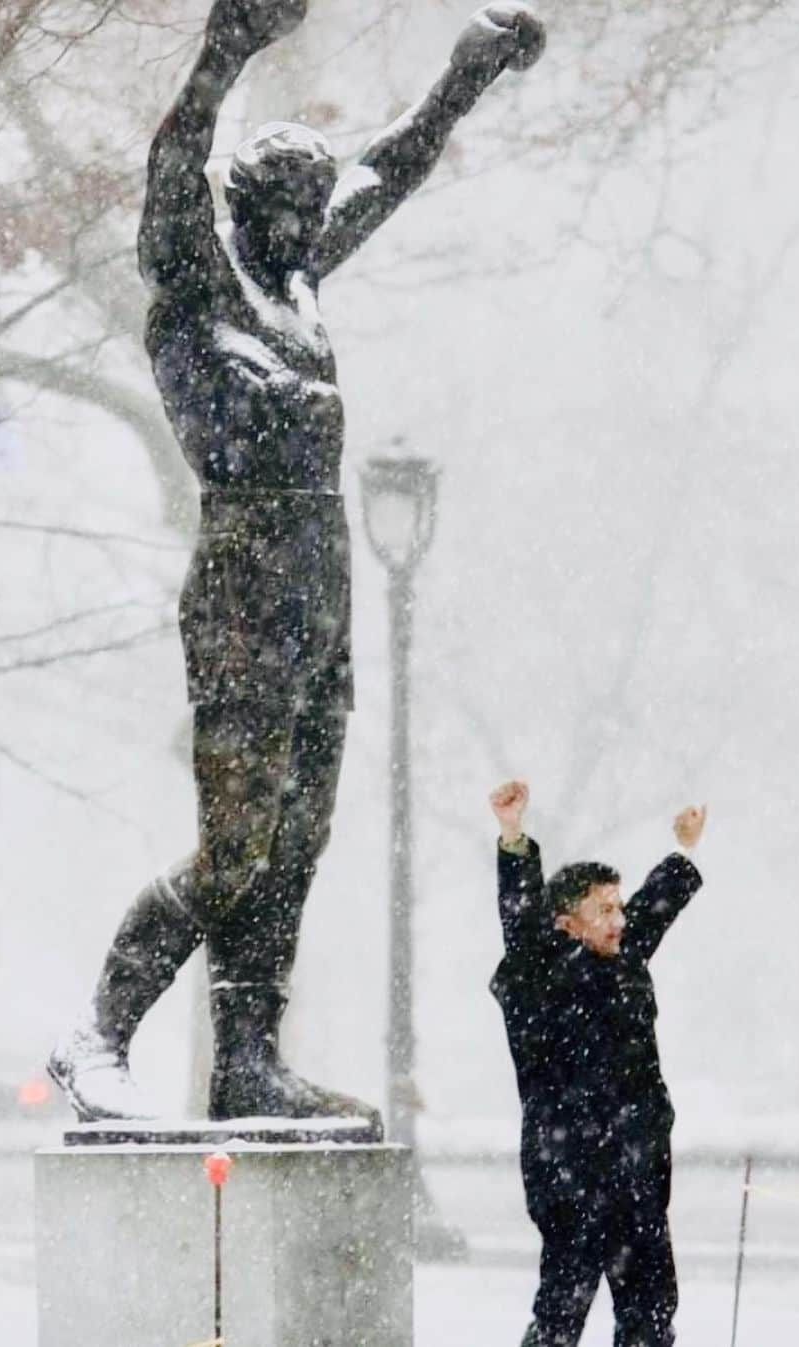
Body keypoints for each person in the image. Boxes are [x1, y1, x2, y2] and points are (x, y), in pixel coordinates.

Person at [47, 0, 546, 1125]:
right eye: (280, 211)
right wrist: (228, 46)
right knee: (236, 845)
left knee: (298, 841)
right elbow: (173, 162)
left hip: (321, 583)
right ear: (244, 208)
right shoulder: (198, 281)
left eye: (310, 212)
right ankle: (97, 1035)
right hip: (242, 577)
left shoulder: (301, 286)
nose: (301, 227)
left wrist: (466, 72)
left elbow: (391, 170)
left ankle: (247, 1059)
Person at [488, 780, 707, 1347]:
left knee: (651, 1320)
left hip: (637, 1175)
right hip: (572, 1178)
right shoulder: (541, 978)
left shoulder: (624, 958)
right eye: (603, 909)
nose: (619, 919)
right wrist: (513, 838)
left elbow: (653, 911)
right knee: (560, 1319)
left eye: (618, 906)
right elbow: (520, 924)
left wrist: (683, 849)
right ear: (566, 923)